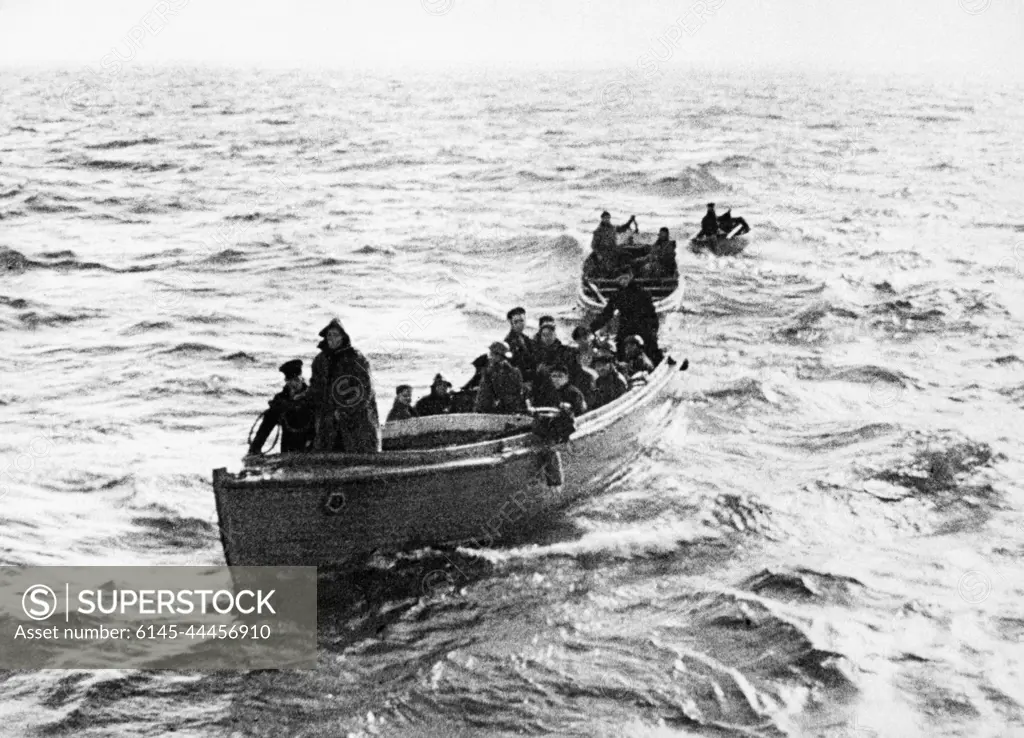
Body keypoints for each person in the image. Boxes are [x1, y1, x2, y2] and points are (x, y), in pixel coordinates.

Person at [308, 318, 381, 453]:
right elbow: (315, 388)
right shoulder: (320, 360)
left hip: (356, 418)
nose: (331, 338)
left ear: (343, 337)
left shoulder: (356, 359)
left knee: (359, 452)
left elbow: (365, 390)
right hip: (329, 420)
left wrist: (345, 411)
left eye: (335, 335)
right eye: (329, 335)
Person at [589, 267, 661, 365]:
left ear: (631, 276)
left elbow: (651, 314)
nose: (623, 281)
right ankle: (623, 368)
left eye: (625, 278)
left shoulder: (643, 293)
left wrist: (654, 329)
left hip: (642, 325)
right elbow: (607, 314)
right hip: (626, 327)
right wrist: (592, 327)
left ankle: (657, 364)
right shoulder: (617, 295)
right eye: (620, 279)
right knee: (621, 348)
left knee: (651, 347)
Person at [248, 359, 315, 455]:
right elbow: (268, 421)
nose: (294, 384)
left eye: (296, 380)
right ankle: (254, 450)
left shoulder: (312, 396)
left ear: (302, 379)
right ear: (286, 382)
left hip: (309, 443)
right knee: (270, 414)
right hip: (288, 445)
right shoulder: (280, 399)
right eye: (290, 381)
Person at [473, 341, 527, 415]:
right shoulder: (514, 371)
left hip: (496, 410)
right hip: (504, 409)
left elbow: (488, 396)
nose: (490, 357)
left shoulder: (493, 371)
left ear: (499, 356)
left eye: (492, 354)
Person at [586, 211, 637, 278]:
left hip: (613, 250)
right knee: (608, 266)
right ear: (602, 219)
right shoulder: (598, 231)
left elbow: (622, 228)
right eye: (605, 218)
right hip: (604, 252)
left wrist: (630, 221)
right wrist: (598, 254)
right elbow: (593, 245)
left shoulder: (612, 228)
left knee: (627, 255)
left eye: (608, 218)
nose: (607, 219)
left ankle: (627, 273)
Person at [504, 306, 537, 384]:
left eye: (522, 320)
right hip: (520, 382)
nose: (519, 324)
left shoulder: (526, 339)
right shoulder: (508, 342)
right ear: (511, 323)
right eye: (516, 322)